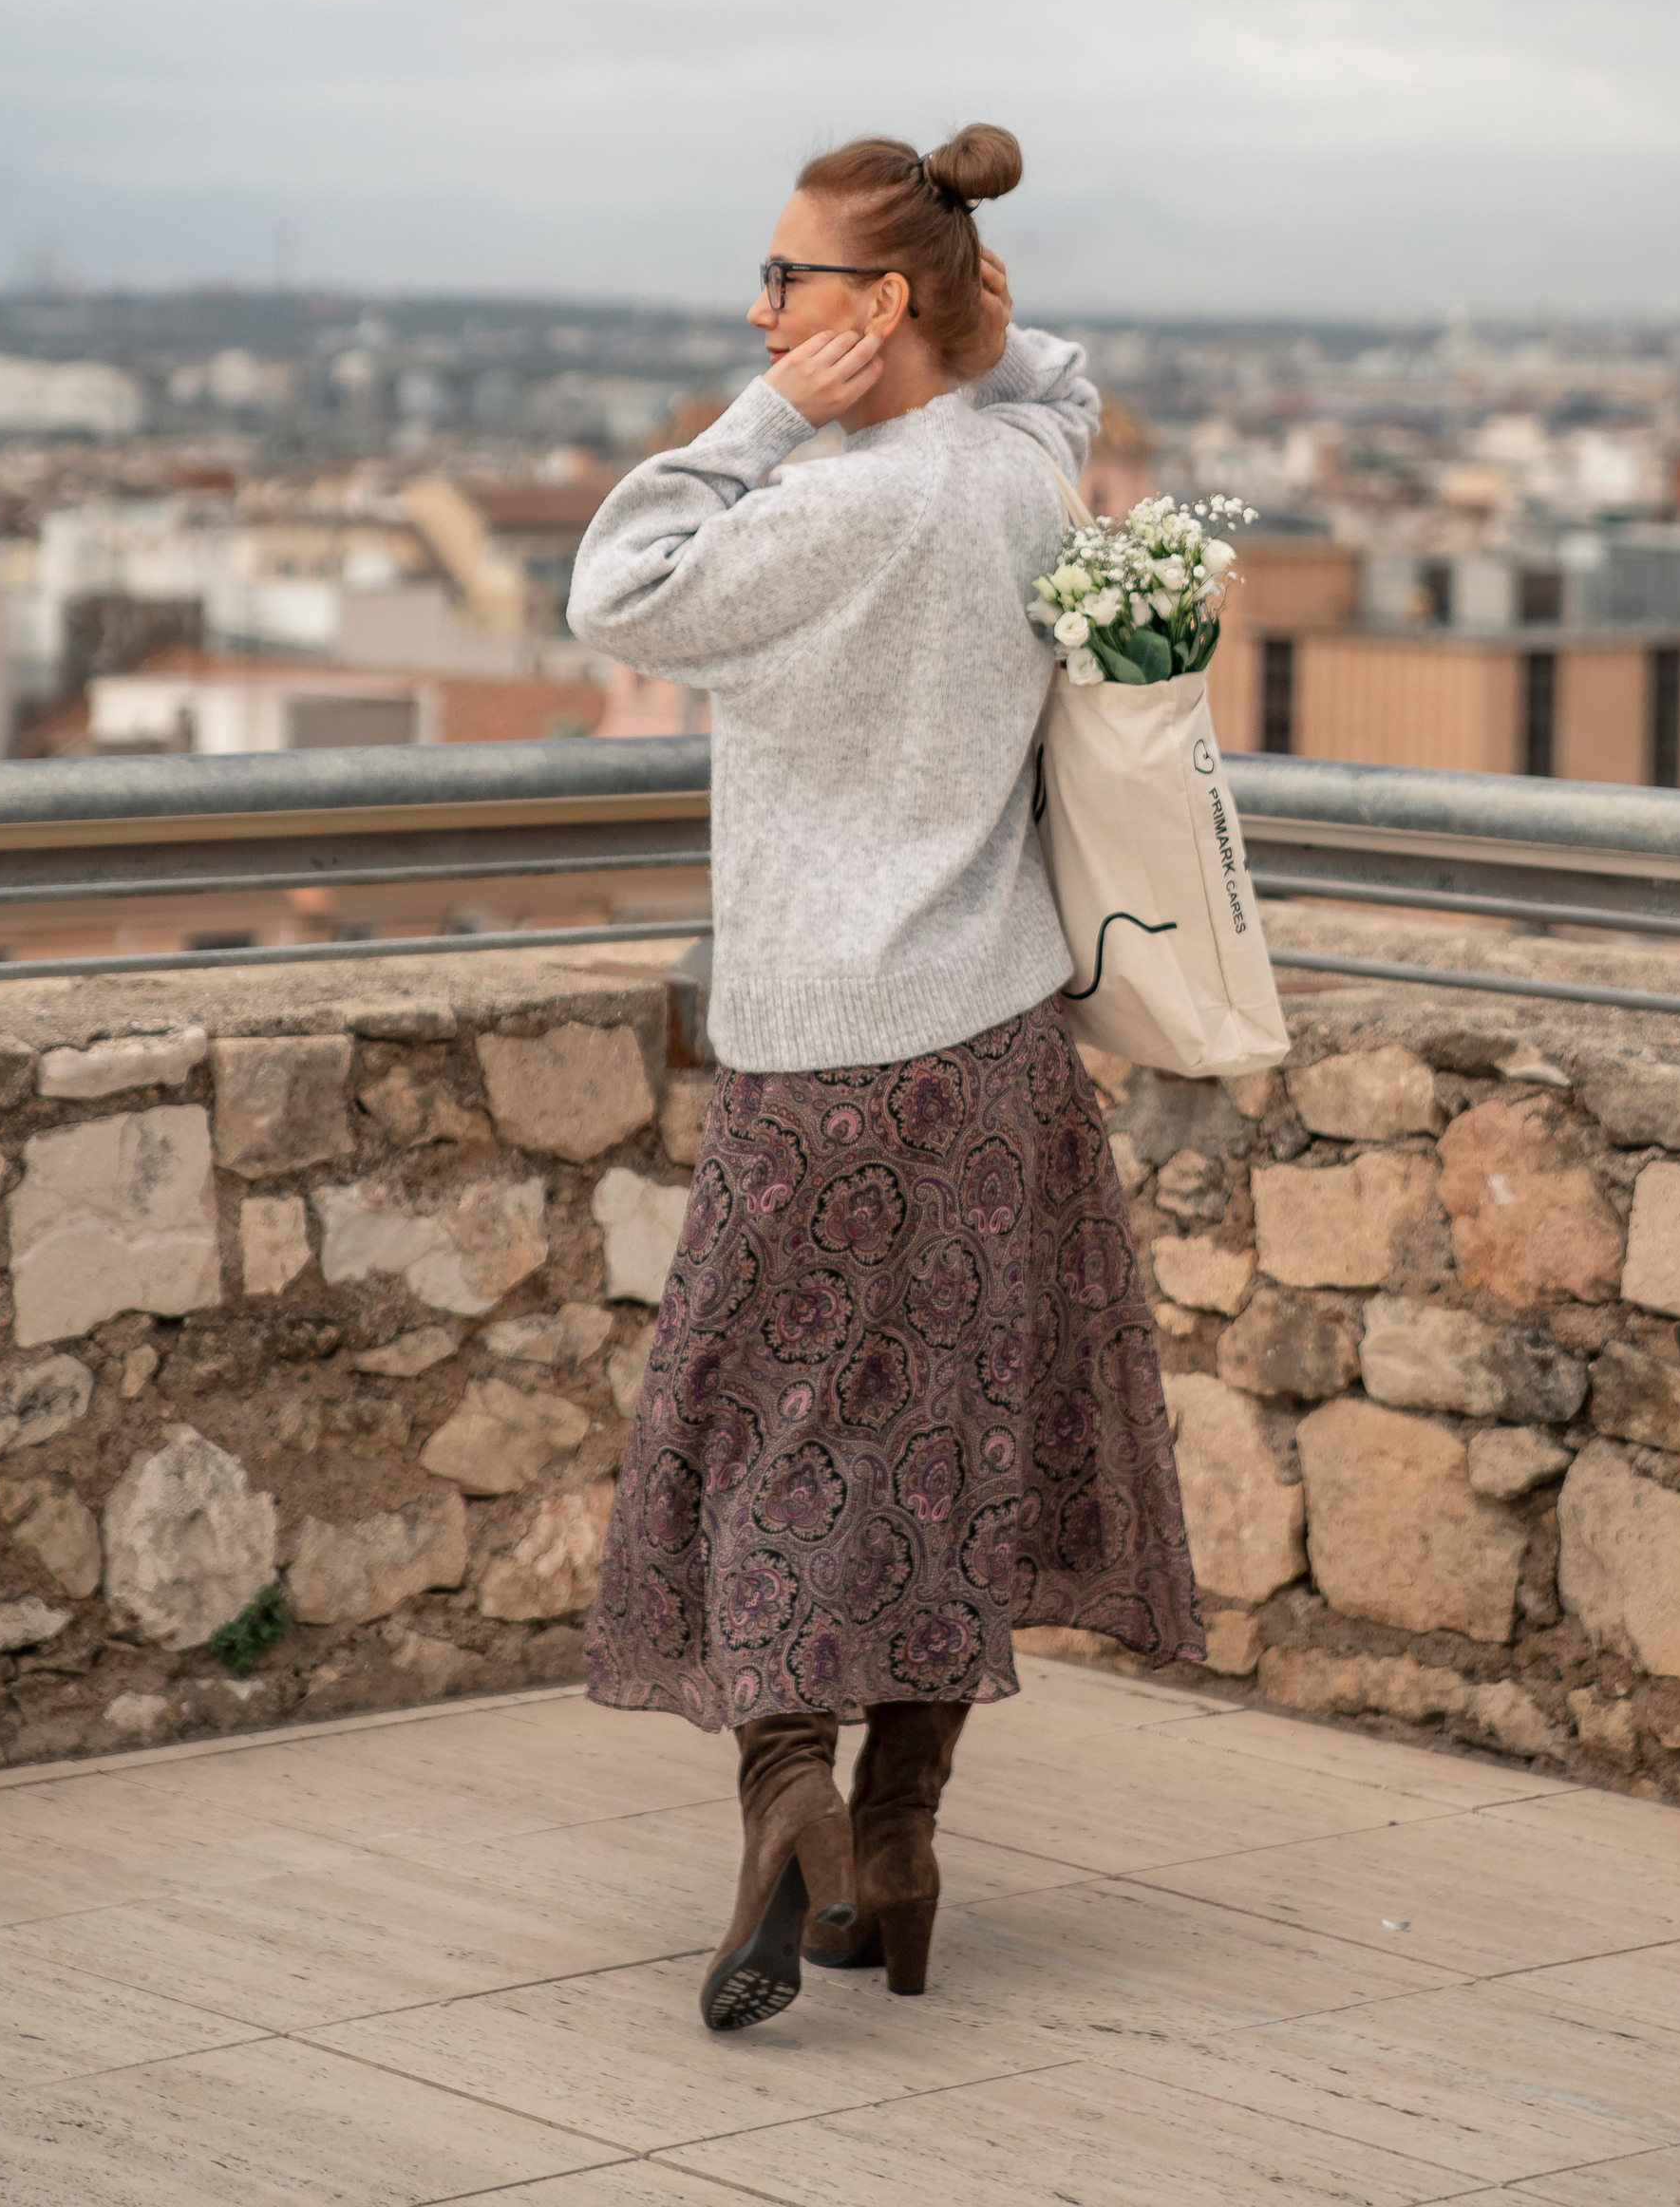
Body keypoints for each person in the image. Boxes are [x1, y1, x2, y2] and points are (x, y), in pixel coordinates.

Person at [569, 124, 1203, 2031]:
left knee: (760, 1443)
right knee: (961, 1443)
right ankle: (901, 1839)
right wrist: (988, 335)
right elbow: (1060, 390)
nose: (759, 311)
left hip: (822, 1057)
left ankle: (789, 1805)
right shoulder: (1010, 472)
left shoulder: (827, 507)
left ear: (876, 309)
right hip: (996, 1049)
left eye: (786, 283)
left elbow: (620, 588)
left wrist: (761, 411)